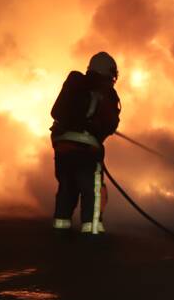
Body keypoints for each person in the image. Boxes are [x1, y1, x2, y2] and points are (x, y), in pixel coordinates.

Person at [49, 52, 121, 235]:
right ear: (109, 73)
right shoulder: (107, 92)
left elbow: (56, 113)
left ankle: (60, 229)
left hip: (62, 148)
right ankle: (92, 232)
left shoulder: (75, 83)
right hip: (86, 151)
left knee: (67, 188)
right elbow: (111, 123)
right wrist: (101, 127)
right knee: (93, 192)